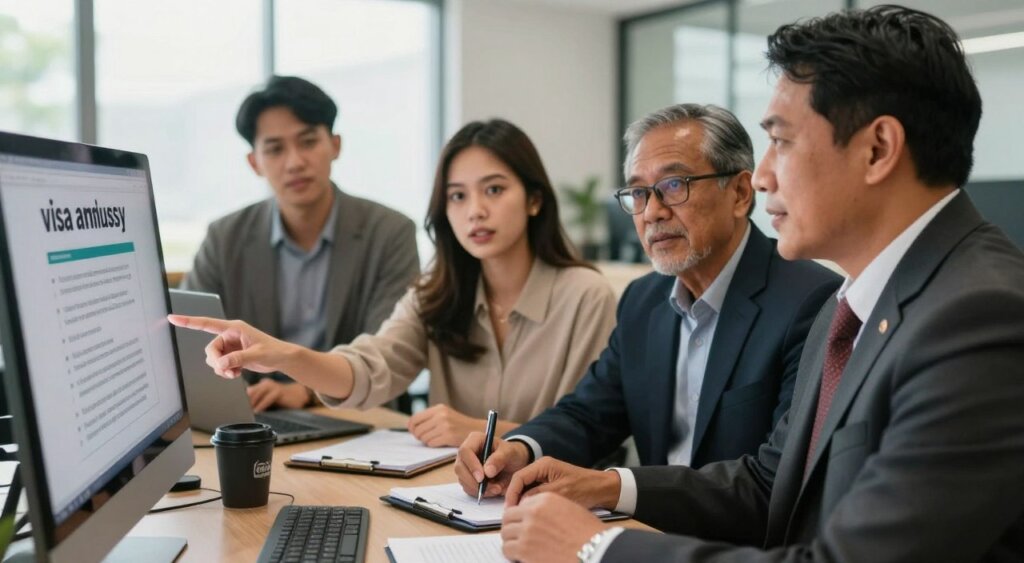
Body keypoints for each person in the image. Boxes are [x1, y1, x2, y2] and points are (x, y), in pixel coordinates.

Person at [494, 6, 1024, 563]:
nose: (765, 175)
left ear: (877, 149)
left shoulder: (980, 318)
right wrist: (606, 488)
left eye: (782, 142)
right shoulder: (849, 308)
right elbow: (769, 484)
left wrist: (597, 547)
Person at [455, 104, 840, 495]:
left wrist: (612, 487)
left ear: (740, 193)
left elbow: (774, 479)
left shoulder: (810, 302)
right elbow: (588, 415)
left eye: (674, 185)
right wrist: (519, 449)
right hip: (644, 524)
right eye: (639, 193)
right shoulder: (643, 301)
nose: (652, 212)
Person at [171, 119, 618, 447]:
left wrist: (488, 433)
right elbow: (370, 367)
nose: (475, 211)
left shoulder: (586, 297)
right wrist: (283, 355)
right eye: (457, 196)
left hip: (555, 506)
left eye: (494, 190)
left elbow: (593, 435)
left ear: (535, 200)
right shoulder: (437, 293)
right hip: (455, 498)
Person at [181, 75, 419, 412]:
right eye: (275, 149)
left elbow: (388, 354)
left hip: (355, 415)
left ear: (335, 145)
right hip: (256, 412)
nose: (295, 162)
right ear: (254, 163)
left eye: (308, 142)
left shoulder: (390, 232)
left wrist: (306, 391)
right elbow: (194, 341)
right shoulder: (225, 237)